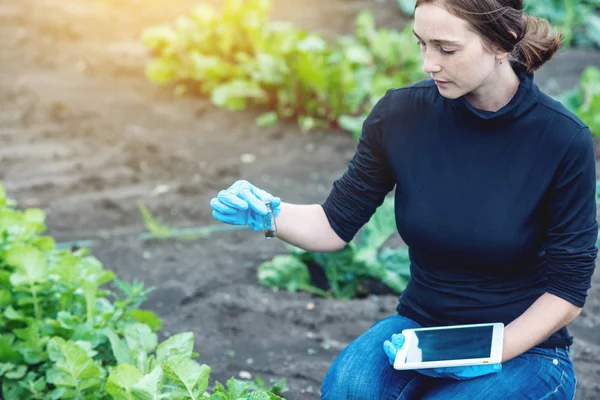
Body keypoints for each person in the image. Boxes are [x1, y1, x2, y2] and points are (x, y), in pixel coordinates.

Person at [209, 0, 598, 398]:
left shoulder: (561, 140)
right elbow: (333, 225)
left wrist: (487, 351)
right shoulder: (401, 116)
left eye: (446, 49)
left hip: (524, 349)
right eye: (421, 44)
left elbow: (566, 293)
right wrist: (271, 214)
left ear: (503, 41)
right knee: (348, 387)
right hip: (420, 330)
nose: (429, 63)